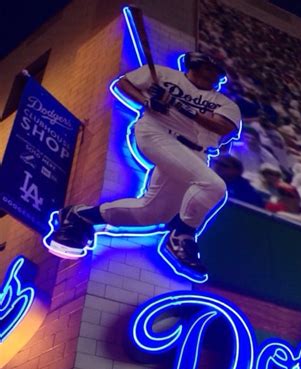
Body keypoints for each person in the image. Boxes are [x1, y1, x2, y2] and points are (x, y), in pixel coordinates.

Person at [45, 52, 241, 280]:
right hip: (156, 133)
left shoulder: (224, 103)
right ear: (195, 65)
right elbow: (123, 84)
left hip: (195, 152)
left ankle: (81, 216)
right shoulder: (163, 74)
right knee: (213, 185)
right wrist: (148, 100)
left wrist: (178, 105)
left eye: (217, 73)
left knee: (153, 213)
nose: (214, 76)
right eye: (210, 69)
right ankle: (182, 235)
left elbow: (222, 128)